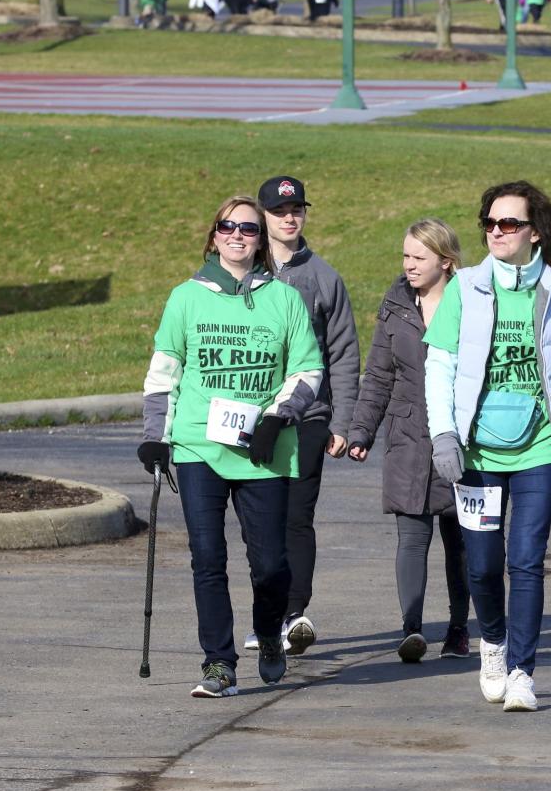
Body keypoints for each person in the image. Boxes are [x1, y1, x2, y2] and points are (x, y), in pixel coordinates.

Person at [423, 181, 551, 713]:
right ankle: (494, 644)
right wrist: (443, 436)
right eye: (490, 222)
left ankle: (523, 670)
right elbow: (440, 366)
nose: (496, 232)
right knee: (481, 565)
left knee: (525, 561)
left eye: (508, 223)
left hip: (541, 449)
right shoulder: (465, 288)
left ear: (534, 232)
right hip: (476, 451)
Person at [138, 195, 324, 697]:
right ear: (214, 234)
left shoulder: (283, 298)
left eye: (248, 228)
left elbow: (308, 369)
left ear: (262, 239)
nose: (237, 235)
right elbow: (164, 373)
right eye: (227, 227)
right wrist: (156, 438)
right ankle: (218, 664)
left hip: (262, 450)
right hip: (198, 446)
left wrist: (275, 418)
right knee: (207, 556)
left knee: (269, 566)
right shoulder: (186, 297)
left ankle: (268, 633)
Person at [237, 177, 360, 658]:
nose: (290, 218)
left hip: (310, 415)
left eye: (297, 210)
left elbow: (345, 354)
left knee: (296, 516)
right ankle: (265, 617)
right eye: (279, 211)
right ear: (263, 216)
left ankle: (293, 616)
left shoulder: (324, 278)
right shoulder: (242, 272)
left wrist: (343, 422)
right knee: (257, 523)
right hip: (251, 415)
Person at [349, 219, 472, 663]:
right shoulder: (396, 302)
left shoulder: (472, 301)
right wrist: (361, 430)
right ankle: (412, 629)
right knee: (411, 536)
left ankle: (459, 629)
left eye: (419, 258)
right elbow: (379, 374)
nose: (409, 266)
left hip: (461, 439)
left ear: (446, 260)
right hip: (406, 437)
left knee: (460, 543)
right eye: (406, 256)